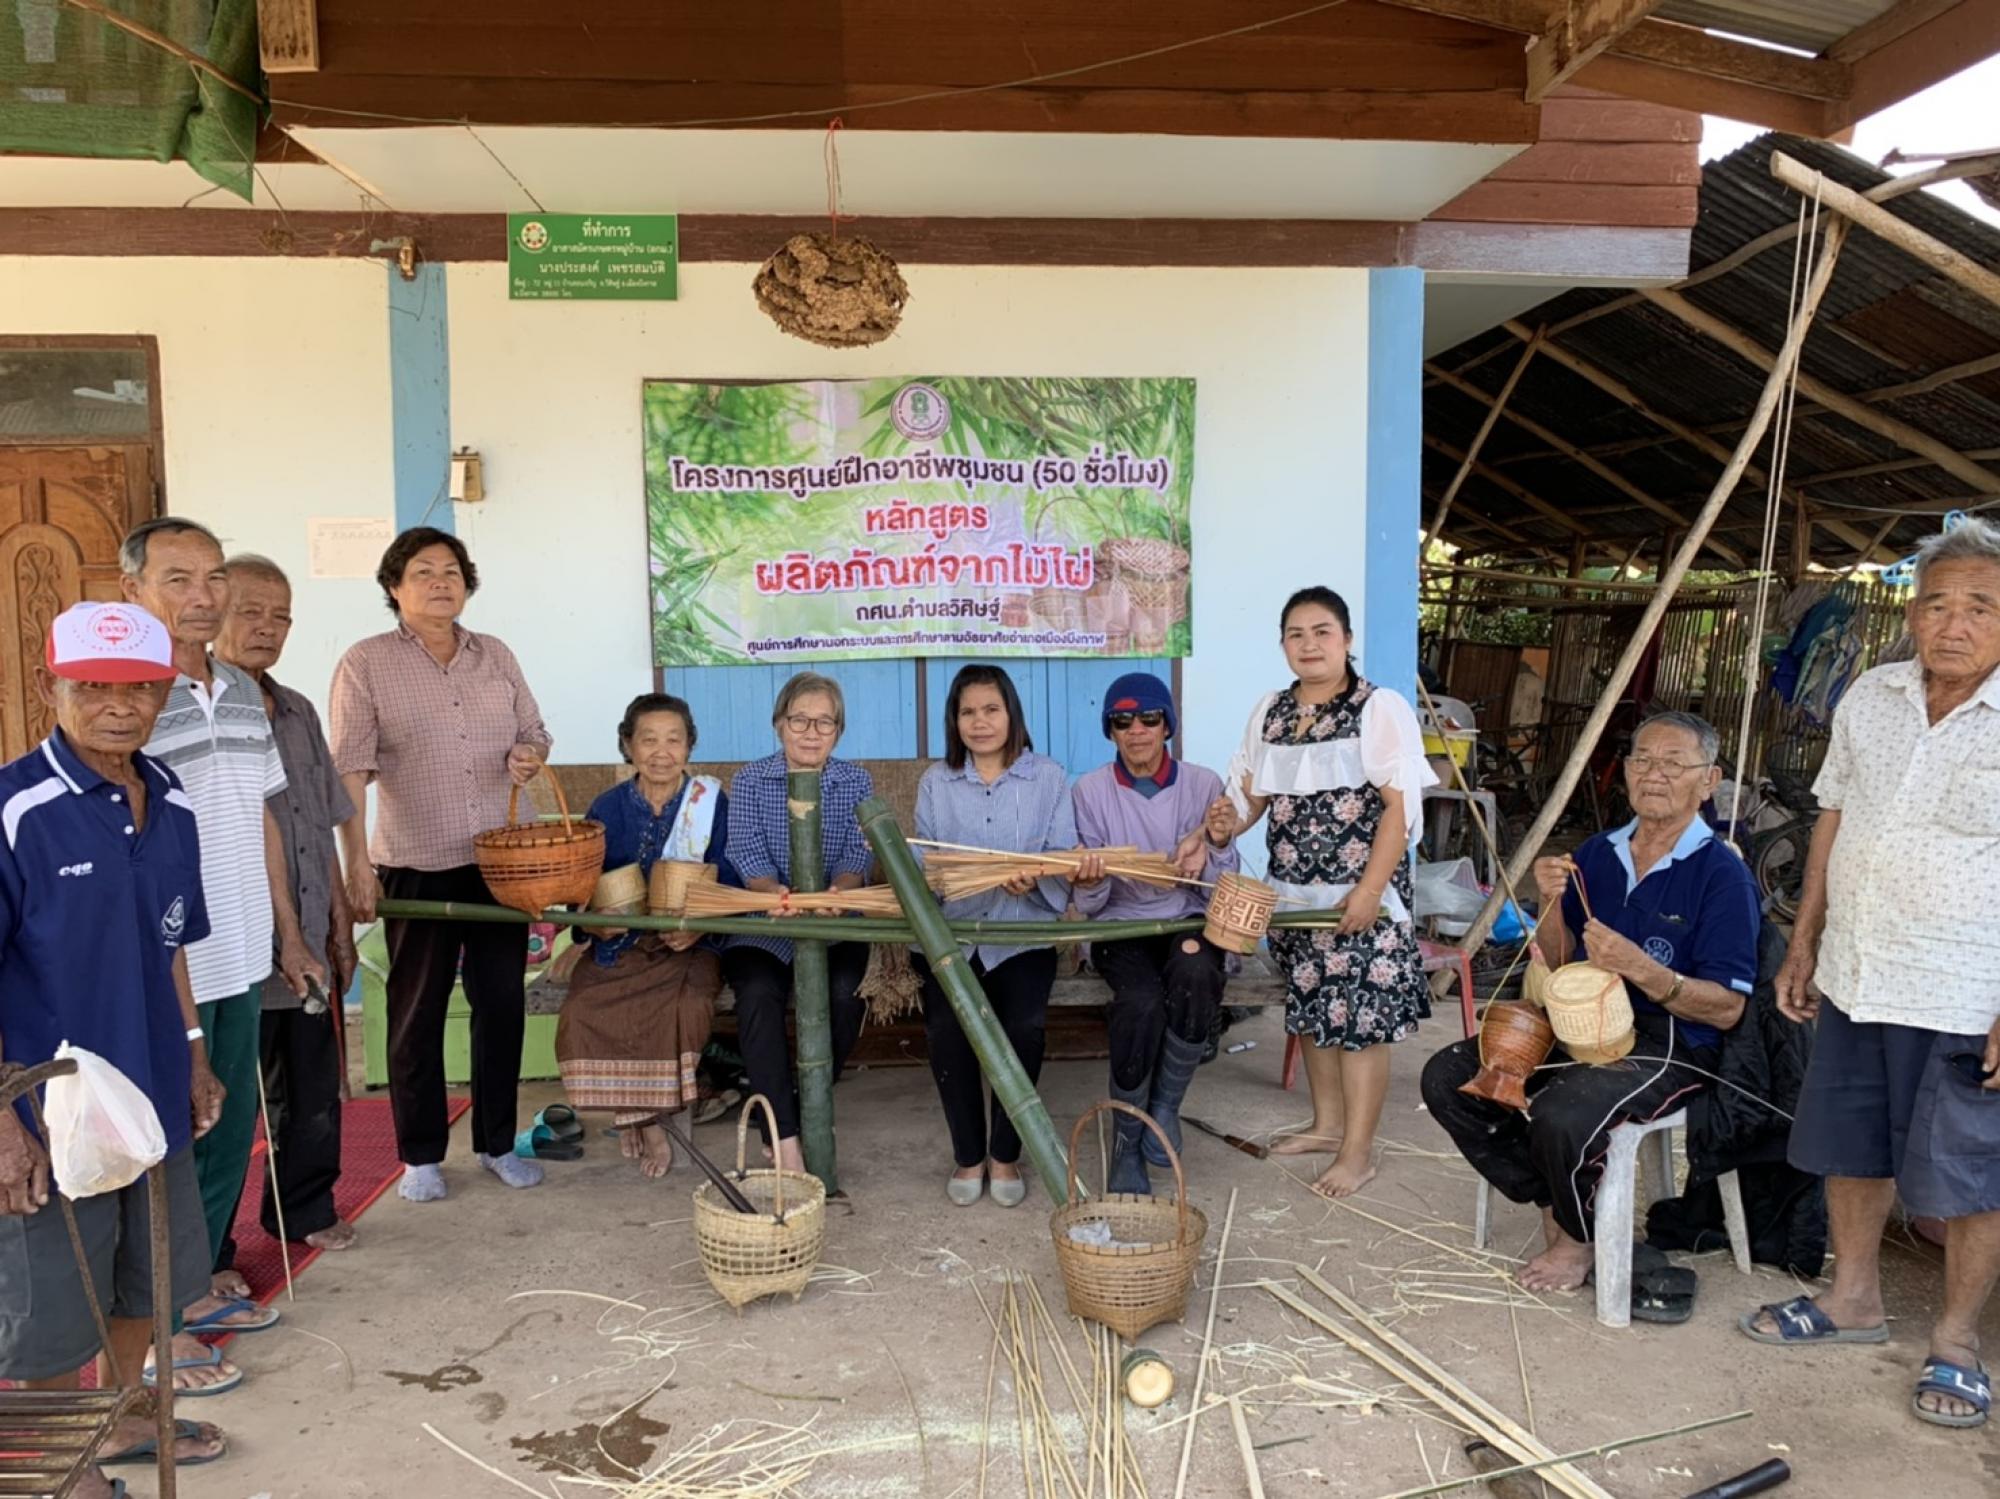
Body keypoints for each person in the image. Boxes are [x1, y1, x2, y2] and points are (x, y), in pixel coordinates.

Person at [1740, 520, 2000, 1432]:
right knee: (1850, 1148)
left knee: (1971, 1173)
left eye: (1980, 607)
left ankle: (1957, 1339)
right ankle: (1853, 1297)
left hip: (1966, 988)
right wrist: (1804, 939)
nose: (1954, 623)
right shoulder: (1871, 697)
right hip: (1859, 972)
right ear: (1913, 613)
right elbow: (1832, 817)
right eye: (1938, 604)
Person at [0, 601, 229, 1484]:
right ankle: (61, 1468)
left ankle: (124, 1413)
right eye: (92, 686)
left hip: (152, 1084)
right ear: (49, 685)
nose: (118, 706)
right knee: (56, 1304)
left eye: (139, 688)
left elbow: (170, 941)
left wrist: (195, 1052)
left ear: (165, 691)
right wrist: (4, 1120)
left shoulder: (170, 797)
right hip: (46, 1104)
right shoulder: (16, 809)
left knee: (147, 1276)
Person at [1422, 711, 1758, 1291]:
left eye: (1673, 763)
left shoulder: (1721, 875)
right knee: (1450, 1077)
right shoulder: (1600, 853)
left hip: (1672, 1041)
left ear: (1709, 781)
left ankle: (1575, 1240)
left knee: (1564, 1110)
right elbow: (1557, 962)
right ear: (1625, 772)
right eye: (1642, 760)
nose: (1654, 774)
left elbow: (1727, 1008)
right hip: (1578, 1022)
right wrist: (1550, 902)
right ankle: (1557, 1205)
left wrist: (1643, 969)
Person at [121, 518, 323, 1394]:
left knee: (228, 1125)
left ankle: (196, 1282)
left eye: (211, 579)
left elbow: (264, 818)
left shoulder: (241, 689)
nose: (201, 596)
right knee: (166, 1136)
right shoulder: (126, 695)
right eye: (178, 578)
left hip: (240, 945)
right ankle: (152, 1332)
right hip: (167, 960)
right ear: (133, 590)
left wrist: (289, 932)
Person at [329, 527, 553, 1202]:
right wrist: (356, 863)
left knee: (501, 1004)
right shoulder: (366, 662)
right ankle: (421, 1154)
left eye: (451, 571)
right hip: (416, 863)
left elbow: (535, 732)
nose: (439, 582)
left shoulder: (496, 654)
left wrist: (528, 755)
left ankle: (495, 1143)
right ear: (394, 587)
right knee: (416, 1010)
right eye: (422, 571)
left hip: (500, 862)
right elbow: (349, 769)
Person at [1211, 586, 1436, 1199]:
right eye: (1296, 634)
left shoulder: (1377, 708)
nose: (1308, 645)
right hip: (1293, 898)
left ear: (1347, 640)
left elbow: (1399, 809)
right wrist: (1226, 823)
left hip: (1359, 898)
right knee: (1312, 1010)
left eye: (1322, 632)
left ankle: (1357, 1154)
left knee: (1358, 1020)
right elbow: (1252, 797)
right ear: (1282, 644)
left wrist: (1370, 890)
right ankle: (1327, 1125)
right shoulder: (1272, 711)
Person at [913, 666, 1100, 1207]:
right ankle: (968, 1156)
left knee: (1023, 1028)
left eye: (991, 710)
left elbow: (1062, 853)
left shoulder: (1048, 777)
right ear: (954, 721)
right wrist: (953, 877)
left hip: (1022, 933)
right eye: (968, 712)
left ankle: (1005, 1154)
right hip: (951, 935)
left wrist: (1036, 875)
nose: (980, 722)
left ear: (1012, 714)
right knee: (947, 1031)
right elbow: (925, 864)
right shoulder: (936, 782)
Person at [215, 554, 359, 1253]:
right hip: (235, 944)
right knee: (228, 1101)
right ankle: (211, 1248)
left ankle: (304, 1209)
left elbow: (321, 823)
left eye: (281, 617)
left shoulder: (298, 709)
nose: (267, 628)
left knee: (313, 1089)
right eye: (251, 612)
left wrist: (339, 923)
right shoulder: (196, 709)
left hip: (308, 935)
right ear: (215, 612)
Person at [1071, 671, 1236, 1195]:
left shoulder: (1204, 785)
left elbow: (1221, 891)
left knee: (1196, 967)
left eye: (1149, 718)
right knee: (1140, 1001)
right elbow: (1090, 906)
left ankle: (1164, 1108)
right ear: (1110, 731)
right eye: (1123, 721)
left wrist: (1218, 845)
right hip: (1121, 923)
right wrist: (1090, 880)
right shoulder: (1090, 791)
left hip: (1186, 917)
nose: (1137, 730)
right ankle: (1128, 1140)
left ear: (1168, 726)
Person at [559, 694, 731, 1180]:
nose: (661, 752)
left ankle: (637, 1116)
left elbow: (732, 878)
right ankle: (644, 1116)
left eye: (673, 740)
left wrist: (698, 927)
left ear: (689, 745)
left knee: (686, 1007)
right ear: (628, 746)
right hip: (621, 943)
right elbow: (580, 886)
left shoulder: (709, 804)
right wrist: (593, 923)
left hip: (688, 944)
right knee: (583, 1007)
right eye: (648, 739)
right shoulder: (607, 807)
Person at [720, 672, 873, 1177]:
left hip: (835, 920)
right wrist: (772, 893)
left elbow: (857, 855)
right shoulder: (750, 780)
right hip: (764, 920)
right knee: (757, 995)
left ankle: (803, 1103)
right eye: (799, 720)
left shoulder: (855, 781)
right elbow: (745, 852)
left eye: (824, 722)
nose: (811, 732)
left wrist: (840, 893)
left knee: (845, 994)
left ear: (838, 731)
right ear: (778, 724)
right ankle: (785, 1136)